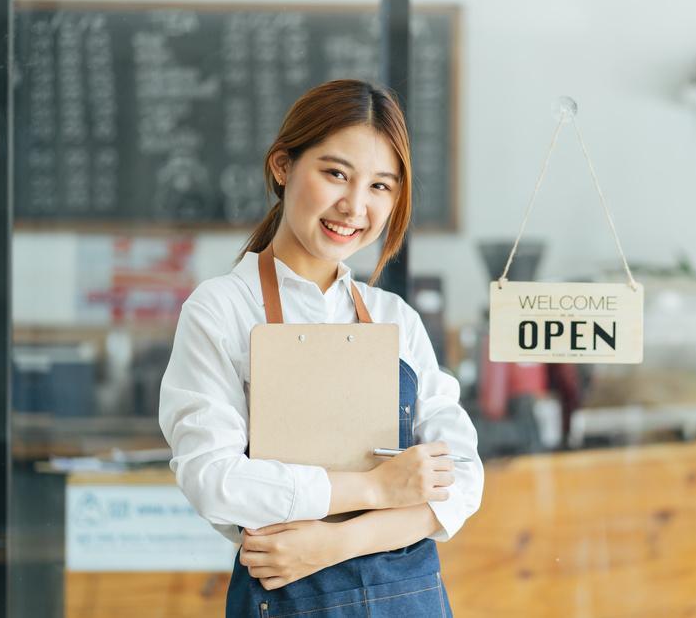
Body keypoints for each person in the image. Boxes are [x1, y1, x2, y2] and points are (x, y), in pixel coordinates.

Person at [159, 79, 483, 617]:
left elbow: (463, 480)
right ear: (283, 167)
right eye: (336, 173)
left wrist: (334, 544)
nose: (355, 207)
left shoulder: (393, 318)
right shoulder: (220, 310)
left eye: (381, 186)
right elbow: (213, 479)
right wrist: (379, 489)